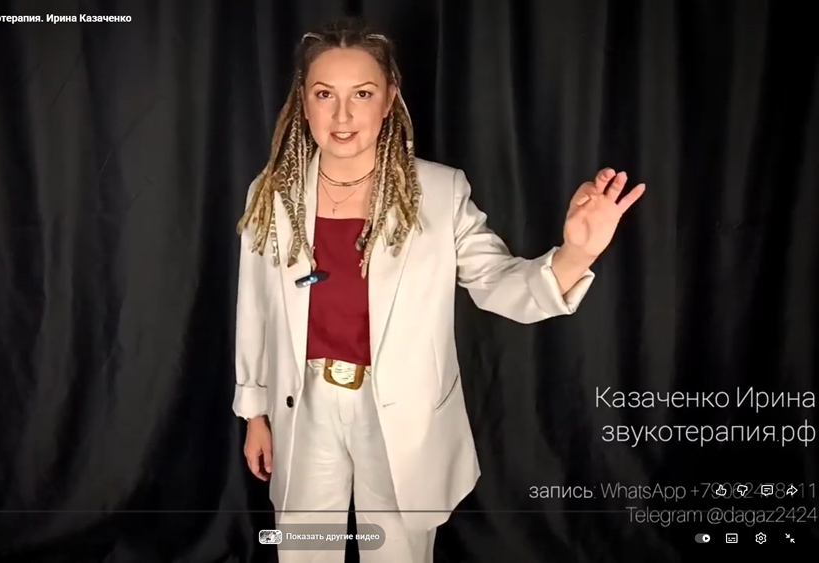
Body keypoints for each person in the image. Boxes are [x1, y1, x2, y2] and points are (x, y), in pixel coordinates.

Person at [232, 17, 645, 563]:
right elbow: (255, 308)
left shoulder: (438, 190)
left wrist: (576, 253)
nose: (343, 115)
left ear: (389, 100)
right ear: (303, 103)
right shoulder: (272, 194)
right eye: (325, 94)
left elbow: (498, 283)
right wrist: (255, 412)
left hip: (401, 414)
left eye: (362, 94)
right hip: (303, 406)